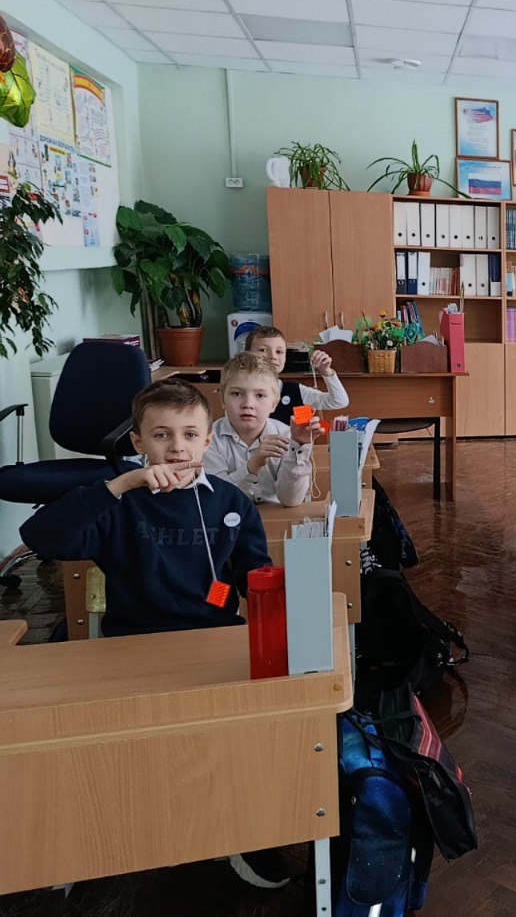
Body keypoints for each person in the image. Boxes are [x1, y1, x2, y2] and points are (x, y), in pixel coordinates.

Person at [19, 379, 291, 886]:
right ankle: (120, 829)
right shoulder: (120, 503)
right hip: (134, 645)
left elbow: (255, 578)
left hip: (212, 640)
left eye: (189, 434)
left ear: (207, 439)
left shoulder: (229, 502)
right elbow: (39, 536)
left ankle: (239, 827)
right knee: (133, 747)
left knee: (247, 734)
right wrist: (119, 485)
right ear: (139, 442)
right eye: (161, 435)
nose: (177, 447)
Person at [204, 352, 320, 507]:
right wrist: (252, 467)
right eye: (237, 393)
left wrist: (299, 446)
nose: (248, 404)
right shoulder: (208, 439)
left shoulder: (286, 435)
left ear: (274, 404)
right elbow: (217, 497)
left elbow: (291, 500)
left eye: (259, 395)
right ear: (222, 400)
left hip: (276, 517)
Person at [243, 325, 349, 426]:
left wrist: (326, 371)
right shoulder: (239, 390)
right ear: (247, 354)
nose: (273, 356)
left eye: (279, 351)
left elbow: (339, 401)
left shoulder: (295, 391)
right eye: (263, 350)